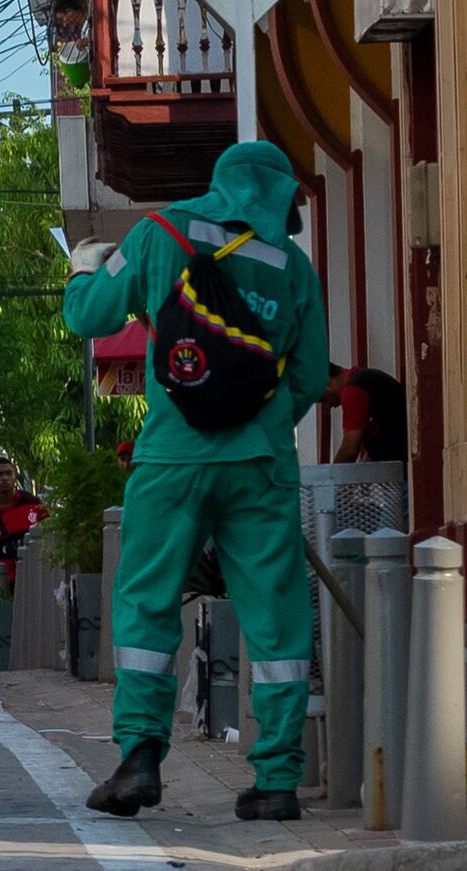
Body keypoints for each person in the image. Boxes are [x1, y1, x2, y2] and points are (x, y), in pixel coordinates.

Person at [63, 135, 334, 823]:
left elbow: (90, 316)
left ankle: (140, 759)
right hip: (260, 465)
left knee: (147, 605)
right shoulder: (294, 269)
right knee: (276, 621)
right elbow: (306, 379)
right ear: (279, 196)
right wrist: (260, 420)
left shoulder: (159, 233)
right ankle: (275, 780)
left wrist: (82, 271)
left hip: (171, 460)